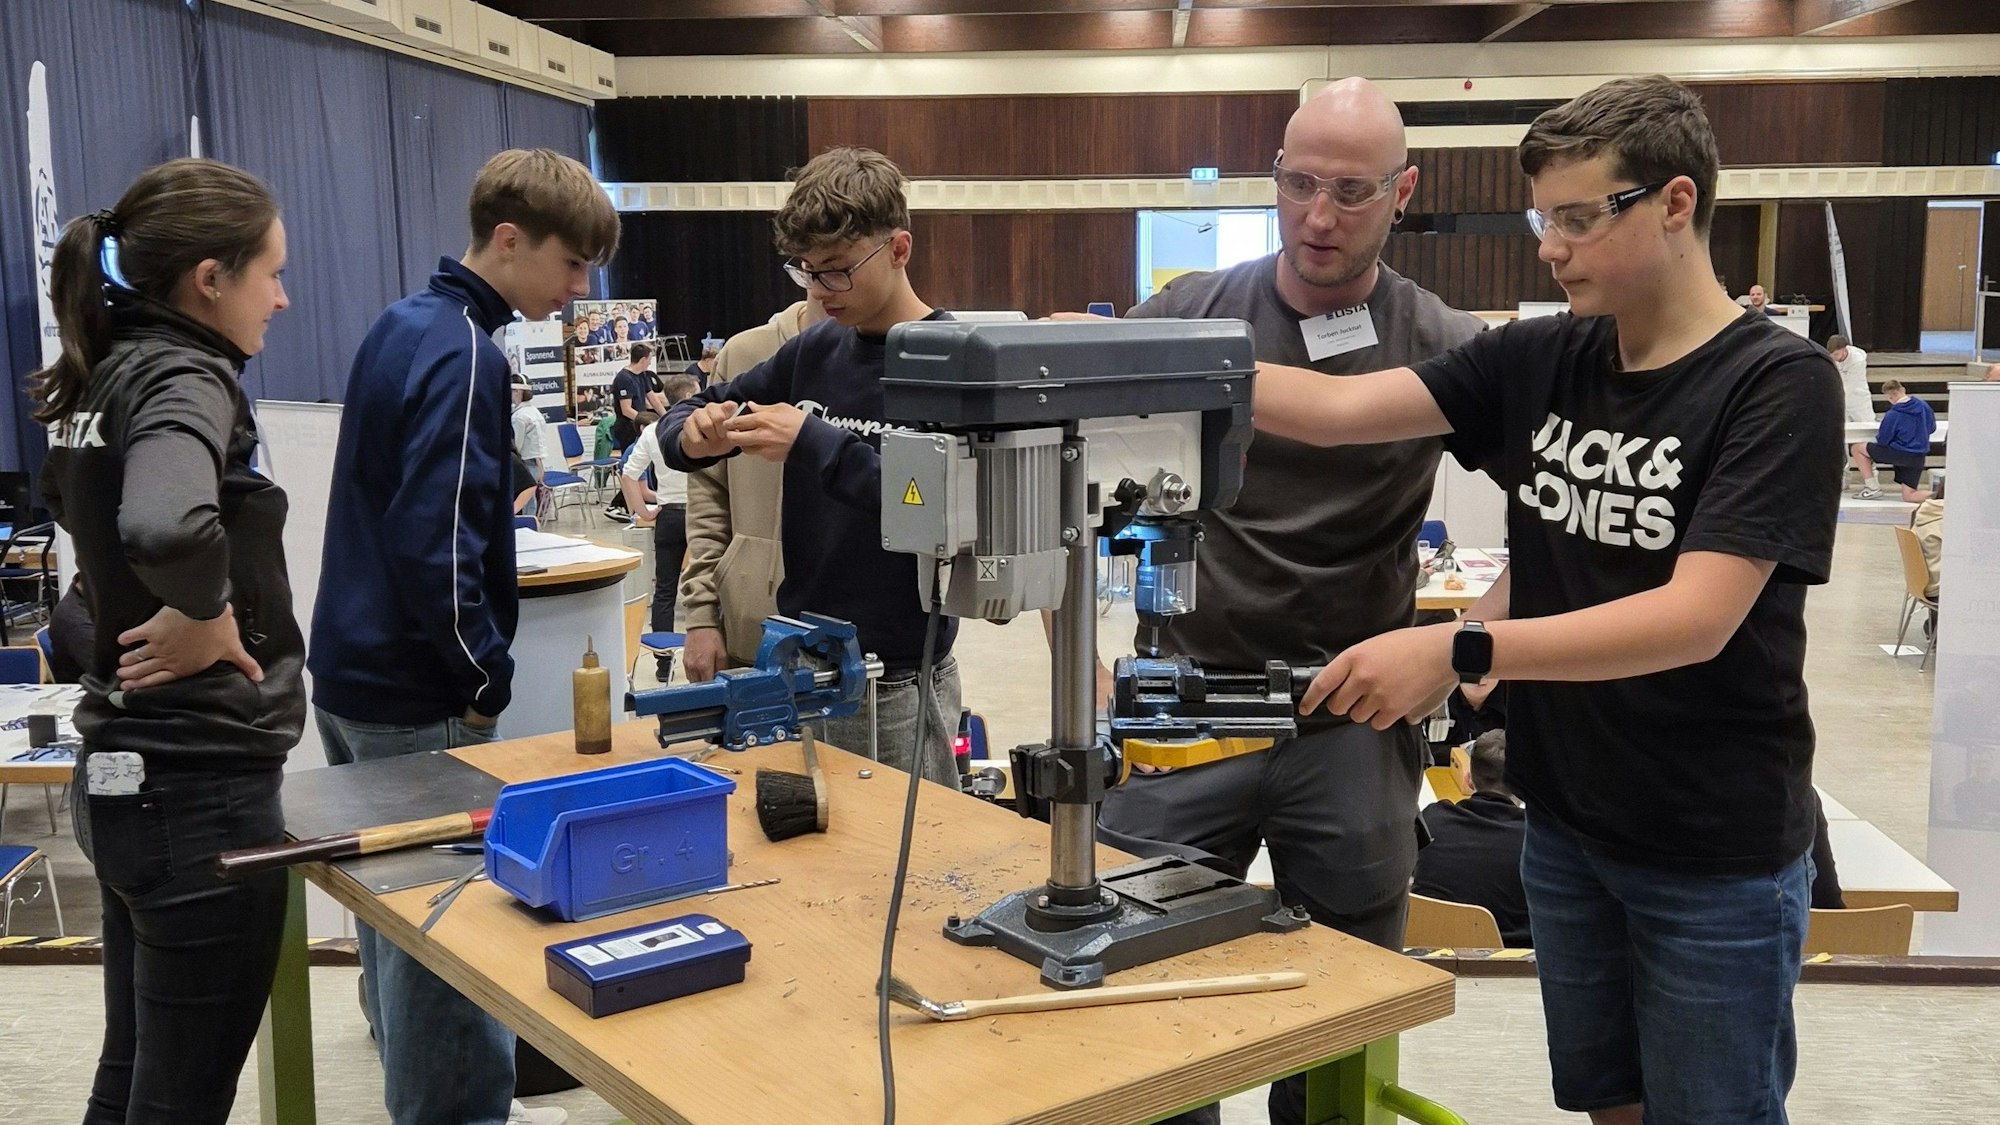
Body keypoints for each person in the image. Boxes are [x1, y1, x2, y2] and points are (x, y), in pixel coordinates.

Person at [1255, 75, 1842, 1125]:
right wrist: (1126, 362)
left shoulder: (1773, 383)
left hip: (1710, 849)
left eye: (1576, 219)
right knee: (1607, 1104)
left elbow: (1694, 616)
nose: (1549, 248)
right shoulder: (1546, 357)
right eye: (1544, 219)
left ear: (1672, 205)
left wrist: (1460, 653)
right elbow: (1339, 409)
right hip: (1565, 826)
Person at [1083, 79, 1483, 1125]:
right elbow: (1078, 487)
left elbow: (1557, 514)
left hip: (1349, 712)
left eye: (1350, 192)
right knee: (1143, 994)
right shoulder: (1183, 316)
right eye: (1298, 185)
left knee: (1343, 1012)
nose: (1318, 217)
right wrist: (1076, 651)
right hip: (1181, 705)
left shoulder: (1441, 339)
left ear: (1402, 191)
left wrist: (1466, 650)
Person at [309, 148, 617, 1125]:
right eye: (569, 266)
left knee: (391, 922)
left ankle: (435, 1095)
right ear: (509, 238)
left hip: (352, 680)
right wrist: (482, 675)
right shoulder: (464, 352)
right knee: (447, 933)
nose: (575, 292)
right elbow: (432, 542)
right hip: (415, 693)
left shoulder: (405, 323)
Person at [37, 158, 304, 1125]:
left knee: (135, 1074)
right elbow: (163, 526)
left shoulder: (102, 375)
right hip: (199, 795)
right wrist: (210, 613)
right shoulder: (187, 376)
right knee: (181, 1099)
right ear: (209, 277)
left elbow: (85, 585)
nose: (282, 295)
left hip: (122, 781)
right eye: (269, 272)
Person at [661, 146, 961, 783]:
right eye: (806, 272)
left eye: (837, 270)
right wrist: (697, 433)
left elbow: (936, 504)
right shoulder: (814, 350)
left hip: (896, 683)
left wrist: (814, 440)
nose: (821, 291)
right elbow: (678, 427)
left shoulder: (954, 363)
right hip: (801, 664)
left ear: (900, 248)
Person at [679, 296, 827, 680]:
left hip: (858, 646)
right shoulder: (744, 354)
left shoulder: (889, 355)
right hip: (748, 635)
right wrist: (701, 615)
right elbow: (709, 492)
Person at [1411, 731, 1530, 947]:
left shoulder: (1432, 820)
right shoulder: (1536, 841)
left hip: (1434, 953)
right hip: (1515, 964)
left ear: (1469, 779)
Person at [621, 375, 700, 685]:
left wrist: (641, 511)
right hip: (702, 514)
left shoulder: (654, 430)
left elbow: (629, 474)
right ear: (692, 395)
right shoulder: (701, 425)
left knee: (665, 589)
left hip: (668, 515)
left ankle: (663, 664)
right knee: (712, 585)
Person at [605, 343, 663, 522]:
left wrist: (667, 417)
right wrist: (647, 421)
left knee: (645, 468)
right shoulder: (624, 378)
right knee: (632, 467)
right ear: (644, 359)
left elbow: (652, 398)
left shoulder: (643, 376)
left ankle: (636, 501)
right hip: (629, 429)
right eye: (650, 359)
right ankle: (619, 503)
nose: (650, 362)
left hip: (642, 427)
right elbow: (626, 409)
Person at [1853, 379, 1936, 501]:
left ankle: (1872, 487)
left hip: (1900, 453)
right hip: (1918, 456)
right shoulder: (1924, 406)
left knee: (1857, 448)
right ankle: (1943, 496)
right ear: (1903, 390)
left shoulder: (1893, 414)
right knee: (1909, 495)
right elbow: (1932, 428)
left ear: (1889, 397)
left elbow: (1883, 440)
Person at [1828, 334, 1874, 487]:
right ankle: (1843, 478)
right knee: (1840, 439)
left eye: (1836, 354)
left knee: (1866, 438)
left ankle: (1872, 480)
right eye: (1832, 355)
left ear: (1844, 350)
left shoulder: (1858, 360)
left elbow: (1851, 387)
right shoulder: (1833, 359)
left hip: (1859, 402)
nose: (1835, 358)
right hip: (1841, 403)